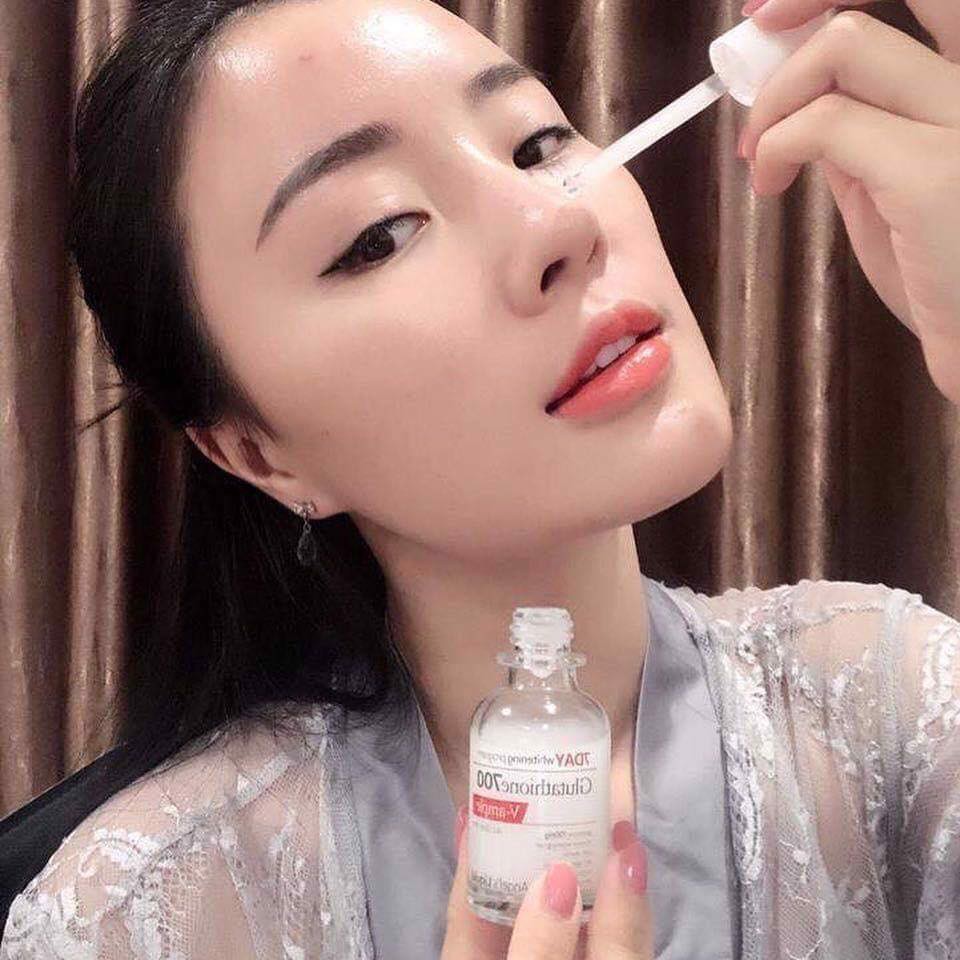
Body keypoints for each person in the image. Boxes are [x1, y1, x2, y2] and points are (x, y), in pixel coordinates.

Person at [1, 0, 958, 956]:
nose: (560, 221)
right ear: (257, 450)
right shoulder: (138, 917)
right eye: (379, 234)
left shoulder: (896, 708)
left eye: (538, 145)